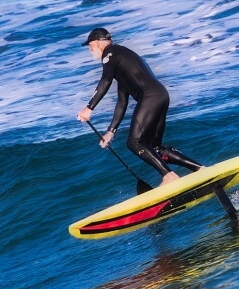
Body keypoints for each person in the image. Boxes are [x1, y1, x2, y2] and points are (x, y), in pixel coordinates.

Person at [76, 28, 205, 186]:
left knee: (134, 142)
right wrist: (111, 131)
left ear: (96, 42)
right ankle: (200, 169)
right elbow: (122, 101)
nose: (89, 50)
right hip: (161, 95)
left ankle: (169, 176)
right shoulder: (121, 57)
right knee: (155, 149)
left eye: (89, 46)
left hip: (150, 96)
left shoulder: (110, 52)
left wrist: (89, 107)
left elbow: (105, 80)